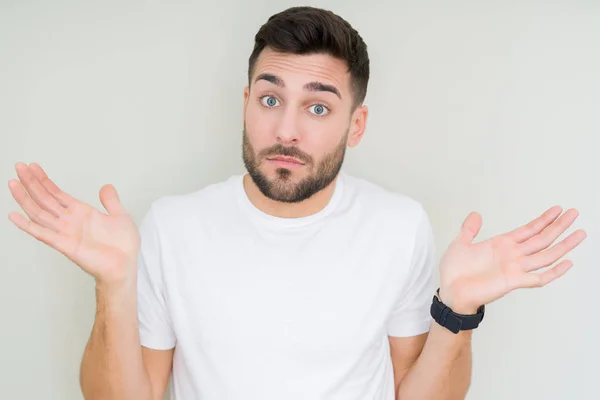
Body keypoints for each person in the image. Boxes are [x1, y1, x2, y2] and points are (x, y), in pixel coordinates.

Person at [7, 6, 587, 400]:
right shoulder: (170, 227)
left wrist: (456, 311)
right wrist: (113, 287)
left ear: (355, 124)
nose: (285, 129)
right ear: (245, 103)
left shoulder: (397, 226)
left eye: (317, 107)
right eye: (269, 98)